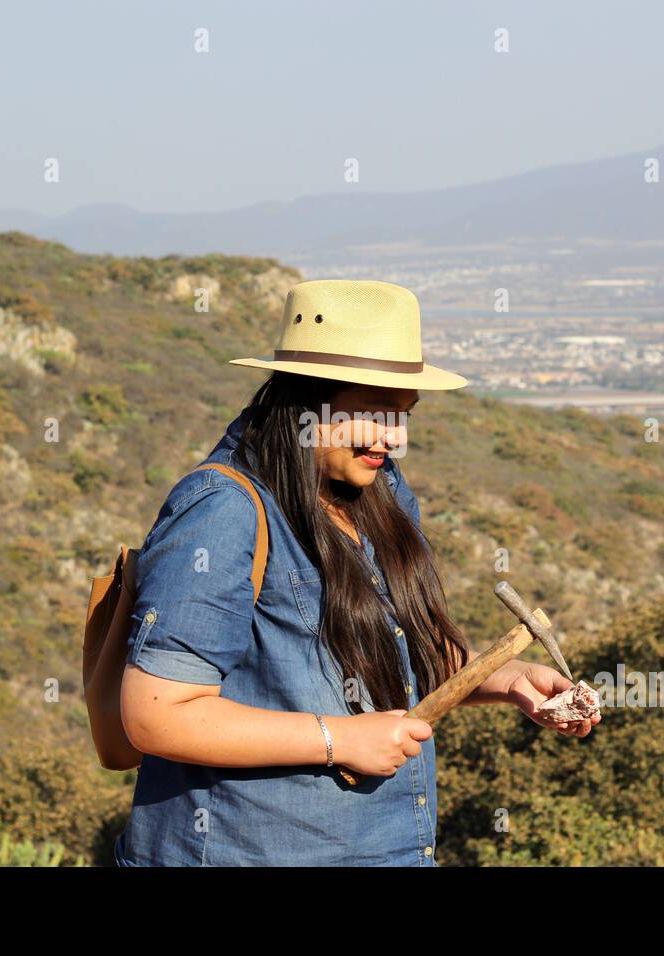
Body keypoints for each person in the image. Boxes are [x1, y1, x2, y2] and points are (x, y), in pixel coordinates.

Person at [113, 279, 599, 867]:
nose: (395, 438)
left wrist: (511, 681)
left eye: (405, 414)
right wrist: (338, 740)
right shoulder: (223, 510)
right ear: (306, 404)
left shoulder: (379, 491)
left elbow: (395, 653)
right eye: (377, 412)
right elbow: (155, 714)